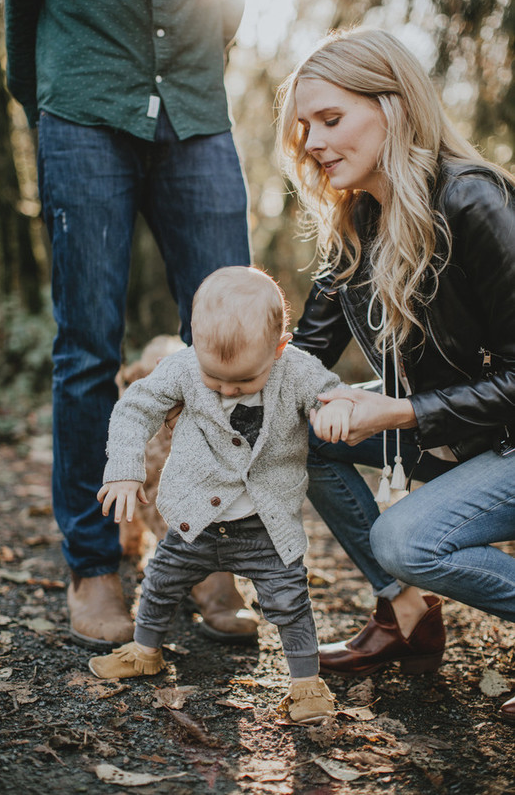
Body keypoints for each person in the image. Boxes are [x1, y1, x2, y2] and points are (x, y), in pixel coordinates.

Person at [0, 0, 260, 649]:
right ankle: (94, 564)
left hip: (196, 108)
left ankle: (207, 553)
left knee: (232, 347)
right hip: (81, 107)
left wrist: (206, 51)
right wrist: (45, 97)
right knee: (87, 344)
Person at [276, 27, 515, 723]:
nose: (313, 142)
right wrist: (213, 374)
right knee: (306, 433)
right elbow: (304, 359)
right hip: (462, 433)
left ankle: (403, 580)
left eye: (331, 118)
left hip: (500, 433)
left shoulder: (476, 202)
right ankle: (406, 614)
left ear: (395, 105)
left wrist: (400, 413)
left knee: (406, 540)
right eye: (304, 126)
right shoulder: (356, 221)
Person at [87, 266, 354, 722]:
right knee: (160, 582)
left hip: (266, 527)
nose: (228, 389)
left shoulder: (296, 368)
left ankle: (306, 683)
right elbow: (134, 408)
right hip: (195, 518)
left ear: (279, 347)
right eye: (216, 380)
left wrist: (338, 410)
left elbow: (333, 392)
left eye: (244, 382)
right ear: (194, 340)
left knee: (290, 601)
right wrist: (125, 469)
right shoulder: (185, 365)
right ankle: (144, 650)